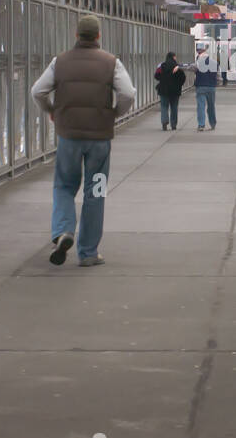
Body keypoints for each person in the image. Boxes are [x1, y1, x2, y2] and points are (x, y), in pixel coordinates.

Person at [31, 14, 135, 267]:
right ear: (98, 36)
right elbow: (128, 94)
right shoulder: (112, 63)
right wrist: (113, 114)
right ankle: (88, 252)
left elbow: (38, 91)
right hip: (100, 139)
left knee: (64, 186)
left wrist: (52, 110)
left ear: (76, 35)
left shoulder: (60, 62)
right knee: (96, 191)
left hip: (69, 137)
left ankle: (64, 230)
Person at [154, 51, 185, 130]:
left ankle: (164, 122)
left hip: (163, 90)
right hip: (175, 90)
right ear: (174, 57)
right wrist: (179, 85)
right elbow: (183, 77)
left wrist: (163, 79)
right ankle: (173, 125)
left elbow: (156, 76)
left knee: (164, 106)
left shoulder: (161, 66)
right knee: (174, 107)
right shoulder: (177, 66)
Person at [190, 46, 218, 131]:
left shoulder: (198, 63)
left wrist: (178, 66)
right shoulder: (214, 63)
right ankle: (212, 124)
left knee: (201, 106)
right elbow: (219, 77)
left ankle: (201, 125)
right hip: (211, 87)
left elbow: (190, 68)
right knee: (211, 106)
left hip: (201, 86)